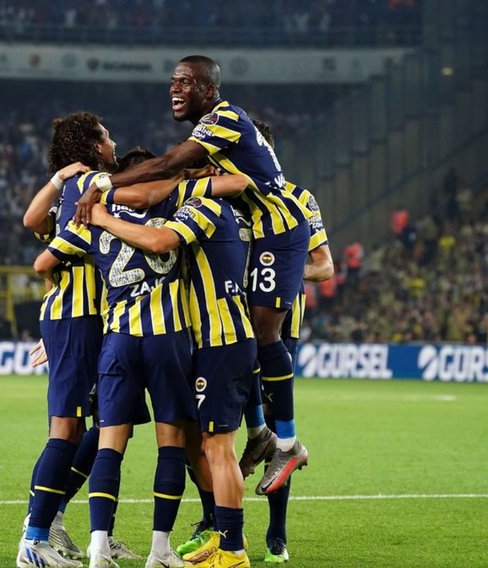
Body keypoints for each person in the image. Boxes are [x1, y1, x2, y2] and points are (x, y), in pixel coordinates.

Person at [75, 55, 311, 496]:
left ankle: (287, 443)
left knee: (262, 333)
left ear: (209, 89)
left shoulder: (226, 118)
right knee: (249, 335)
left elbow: (168, 164)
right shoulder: (210, 131)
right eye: (172, 81)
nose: (174, 89)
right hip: (258, 230)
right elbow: (170, 173)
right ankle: (260, 431)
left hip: (279, 228)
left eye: (185, 82)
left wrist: (104, 184)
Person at [35, 152, 247, 568]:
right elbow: (226, 189)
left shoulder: (91, 217)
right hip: (167, 340)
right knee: (171, 444)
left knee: (109, 445)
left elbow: (43, 262)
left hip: (117, 339)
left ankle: (98, 547)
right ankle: (159, 550)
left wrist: (56, 321)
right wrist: (185, 173)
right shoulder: (173, 206)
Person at [89, 175, 254, 568]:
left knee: (209, 448)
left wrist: (98, 210)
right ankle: (179, 546)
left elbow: (45, 249)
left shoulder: (201, 206)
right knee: (187, 444)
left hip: (189, 339)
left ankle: (230, 547)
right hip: (184, 338)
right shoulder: (196, 210)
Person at [17, 112, 116, 568]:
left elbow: (34, 221)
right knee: (68, 428)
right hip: (78, 319)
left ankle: (57, 521)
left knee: (109, 424)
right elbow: (37, 239)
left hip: (86, 322)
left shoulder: (74, 192)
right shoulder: (91, 187)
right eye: (107, 136)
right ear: (94, 146)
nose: (113, 142)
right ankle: (34, 537)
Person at [244, 120, 334, 563]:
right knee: (214, 428)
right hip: (225, 326)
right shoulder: (224, 197)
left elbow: (325, 266)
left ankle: (276, 534)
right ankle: (215, 524)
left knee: (279, 430)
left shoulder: (299, 199)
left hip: (278, 330)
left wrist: (281, 273)